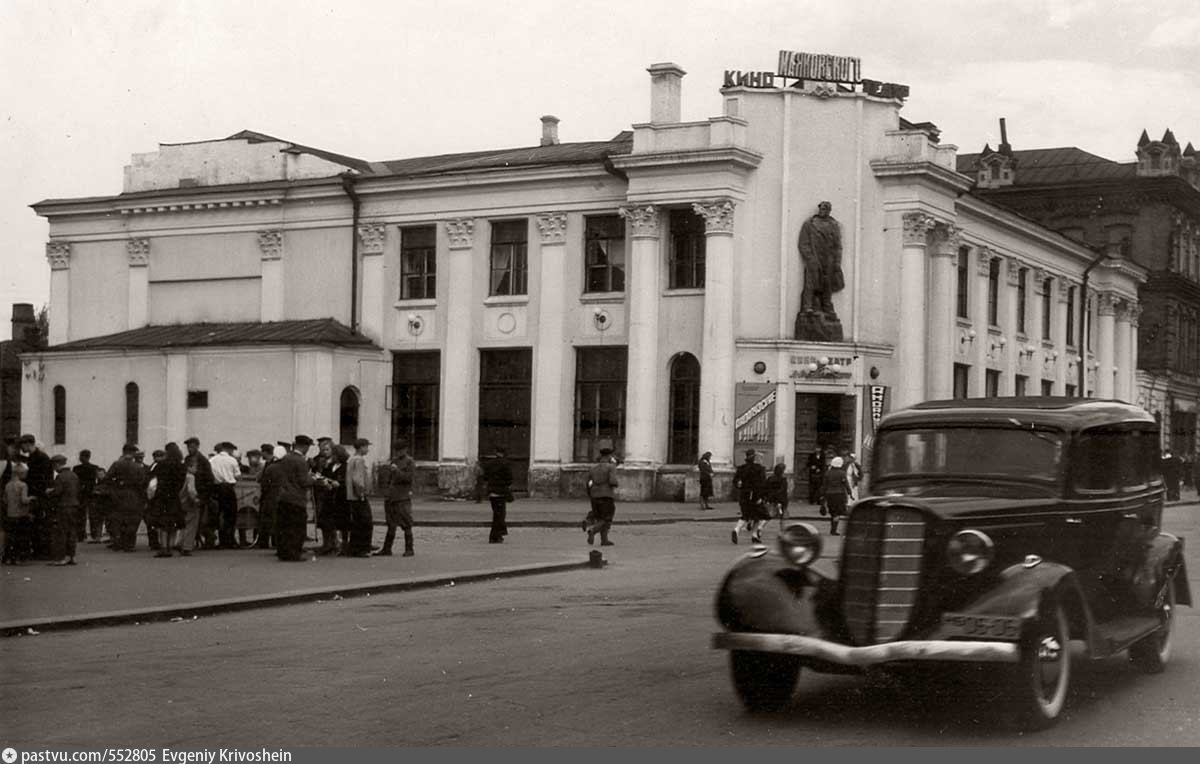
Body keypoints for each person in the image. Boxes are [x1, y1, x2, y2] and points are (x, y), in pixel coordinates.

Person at [797, 201, 844, 316]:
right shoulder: (809, 224)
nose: (823, 211)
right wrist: (810, 259)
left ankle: (827, 306)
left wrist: (837, 262)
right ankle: (807, 306)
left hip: (828, 259)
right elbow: (803, 243)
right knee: (811, 282)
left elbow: (838, 246)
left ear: (829, 210)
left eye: (826, 209)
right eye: (822, 208)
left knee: (827, 283)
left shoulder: (834, 225)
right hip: (814, 257)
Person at [274, 435, 315, 561]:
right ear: (304, 446)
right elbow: (304, 481)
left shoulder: (285, 458)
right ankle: (294, 553)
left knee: (284, 527)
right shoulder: (300, 461)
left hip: (283, 496)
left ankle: (283, 552)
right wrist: (314, 479)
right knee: (296, 528)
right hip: (296, 498)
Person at [376, 439, 416, 557]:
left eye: (400, 450)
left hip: (402, 497)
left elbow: (408, 478)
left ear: (405, 450)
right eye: (396, 450)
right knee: (391, 523)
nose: (398, 452)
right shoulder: (393, 461)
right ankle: (387, 548)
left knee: (406, 523)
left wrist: (397, 471)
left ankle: (409, 548)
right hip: (391, 497)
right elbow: (388, 479)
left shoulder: (409, 462)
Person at [105, 444, 148, 552]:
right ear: (132, 453)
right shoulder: (137, 467)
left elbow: (107, 478)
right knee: (132, 520)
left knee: (119, 519)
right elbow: (143, 482)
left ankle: (118, 542)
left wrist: (115, 487)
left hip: (118, 494)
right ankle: (129, 545)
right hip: (133, 495)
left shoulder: (116, 464)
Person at [18, 434, 54, 559]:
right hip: (38, 494)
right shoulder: (37, 457)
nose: (21, 448)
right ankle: (40, 551)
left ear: (28, 444)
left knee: (40, 524)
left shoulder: (40, 458)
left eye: (22, 445)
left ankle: (42, 551)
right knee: (38, 524)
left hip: (38, 495)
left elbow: (41, 479)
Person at [148, 443, 186, 558]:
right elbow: (182, 483)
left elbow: (153, 479)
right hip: (174, 496)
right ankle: (171, 546)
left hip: (162, 496)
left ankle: (164, 547)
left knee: (163, 523)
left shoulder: (161, 464)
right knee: (174, 523)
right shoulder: (181, 466)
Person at [46, 454, 81, 565]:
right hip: (74, 505)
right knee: (72, 532)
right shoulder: (74, 475)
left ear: (57, 464)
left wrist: (49, 492)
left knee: (61, 532)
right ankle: (72, 556)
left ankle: (61, 558)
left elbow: (57, 492)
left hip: (63, 506)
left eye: (53, 465)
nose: (53, 468)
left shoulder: (60, 477)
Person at [731, 449, 768, 544]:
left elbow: (735, 482)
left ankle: (736, 529)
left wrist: (740, 486)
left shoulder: (741, 468)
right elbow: (762, 483)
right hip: (755, 495)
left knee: (746, 515)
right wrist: (761, 496)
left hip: (744, 495)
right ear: (754, 458)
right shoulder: (759, 468)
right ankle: (754, 535)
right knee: (759, 515)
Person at [184, 437, 215, 549]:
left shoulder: (203, 461)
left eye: (192, 447)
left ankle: (209, 539)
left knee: (202, 520)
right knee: (192, 519)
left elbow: (209, 478)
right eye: (188, 447)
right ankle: (192, 540)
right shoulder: (187, 459)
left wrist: (196, 473)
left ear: (197, 446)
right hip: (190, 492)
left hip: (201, 493)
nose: (189, 449)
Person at [585, 447, 619, 546]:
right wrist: (616, 484)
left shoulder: (593, 468)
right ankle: (593, 530)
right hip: (606, 495)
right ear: (609, 456)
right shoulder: (611, 467)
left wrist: (590, 494)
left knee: (600, 518)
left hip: (594, 496)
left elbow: (588, 483)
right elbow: (613, 481)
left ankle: (604, 540)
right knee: (607, 518)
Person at [210, 441, 241, 549]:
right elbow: (237, 476)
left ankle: (222, 540)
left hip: (217, 488)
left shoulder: (212, 460)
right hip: (228, 488)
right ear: (229, 449)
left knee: (220, 514)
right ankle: (230, 539)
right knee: (231, 515)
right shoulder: (232, 460)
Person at [310, 438, 338, 555]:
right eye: (322, 449)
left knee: (330, 519)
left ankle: (333, 543)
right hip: (320, 492)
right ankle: (327, 543)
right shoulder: (318, 460)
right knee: (322, 519)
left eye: (327, 449)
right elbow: (315, 473)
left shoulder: (335, 462)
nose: (324, 452)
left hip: (331, 493)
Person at [479, 445, 513, 543]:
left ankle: (498, 535)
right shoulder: (505, 464)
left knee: (496, 514)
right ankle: (495, 536)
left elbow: (485, 477)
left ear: (496, 452)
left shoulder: (489, 464)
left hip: (492, 492)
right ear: (504, 453)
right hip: (501, 493)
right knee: (500, 515)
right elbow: (509, 479)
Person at [346, 438, 373, 557]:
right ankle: (362, 548)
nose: (367, 450)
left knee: (356, 523)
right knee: (365, 523)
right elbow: (358, 479)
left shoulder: (351, 459)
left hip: (351, 495)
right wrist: (361, 493)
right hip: (358, 496)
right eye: (366, 447)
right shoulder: (359, 460)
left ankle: (354, 548)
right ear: (361, 447)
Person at [3, 462, 32, 565]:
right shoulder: (23, 485)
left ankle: (8, 558)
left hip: (10, 513)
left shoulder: (7, 485)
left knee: (10, 537)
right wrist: (31, 498)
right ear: (20, 473)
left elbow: (5, 500)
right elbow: (24, 500)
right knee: (20, 537)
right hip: (20, 514)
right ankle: (18, 558)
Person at [73, 450, 102, 543]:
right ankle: (94, 534)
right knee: (93, 515)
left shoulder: (76, 469)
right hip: (91, 494)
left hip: (81, 494)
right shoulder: (94, 468)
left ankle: (81, 535)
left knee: (81, 515)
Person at [823, 456, 852, 536]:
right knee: (837, 512)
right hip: (839, 494)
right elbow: (845, 484)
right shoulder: (842, 473)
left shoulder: (828, 473)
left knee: (832, 512)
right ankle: (834, 529)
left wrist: (822, 495)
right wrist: (849, 492)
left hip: (829, 494)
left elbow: (824, 485)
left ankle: (832, 528)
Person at [178, 459, 200, 556]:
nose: (196, 469)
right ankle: (187, 546)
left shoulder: (180, 476)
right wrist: (196, 499)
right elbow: (191, 491)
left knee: (183, 524)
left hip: (180, 502)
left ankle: (179, 542)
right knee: (191, 525)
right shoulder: (190, 477)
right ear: (189, 467)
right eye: (195, 467)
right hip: (189, 503)